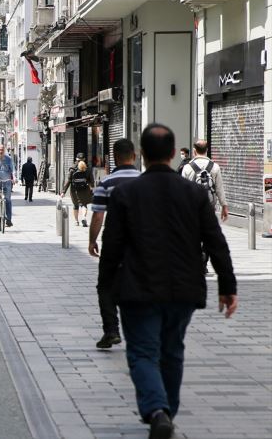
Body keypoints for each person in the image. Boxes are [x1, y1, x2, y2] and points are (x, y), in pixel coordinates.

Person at [98, 123, 237, 439]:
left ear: (141, 155)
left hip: (138, 288)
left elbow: (113, 244)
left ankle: (157, 410)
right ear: (174, 154)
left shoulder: (126, 194)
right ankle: (166, 413)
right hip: (182, 290)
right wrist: (228, 286)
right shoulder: (194, 193)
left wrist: (105, 283)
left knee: (143, 353)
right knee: (172, 350)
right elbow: (215, 241)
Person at [88, 139, 141, 349]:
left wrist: (92, 240)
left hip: (114, 243)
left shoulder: (106, 183)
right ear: (134, 156)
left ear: (115, 158)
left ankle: (111, 331)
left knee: (106, 287)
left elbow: (98, 216)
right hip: (142, 243)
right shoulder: (145, 181)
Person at [181, 140, 229, 222]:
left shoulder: (187, 167)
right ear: (207, 150)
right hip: (209, 209)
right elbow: (219, 189)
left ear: (194, 151)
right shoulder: (215, 167)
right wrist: (224, 206)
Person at [61, 160, 94, 227]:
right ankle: (84, 217)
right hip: (84, 190)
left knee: (76, 206)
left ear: (76, 159)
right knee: (83, 205)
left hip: (74, 191)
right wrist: (92, 188)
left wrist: (63, 192)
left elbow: (68, 181)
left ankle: (76, 221)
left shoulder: (72, 169)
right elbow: (91, 181)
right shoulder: (87, 169)